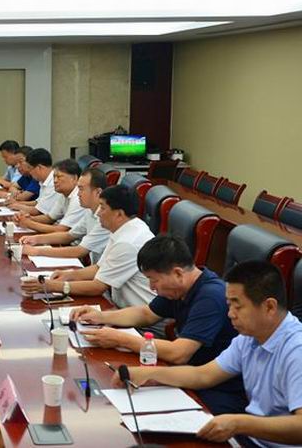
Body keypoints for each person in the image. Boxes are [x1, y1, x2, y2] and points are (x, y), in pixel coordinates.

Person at [112, 261, 302, 447]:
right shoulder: (249, 337)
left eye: (238, 306)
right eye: (229, 305)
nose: (230, 314)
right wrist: (147, 374)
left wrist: (239, 423)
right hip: (249, 437)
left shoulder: (296, 349)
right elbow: (203, 375)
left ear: (269, 307)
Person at [72, 235, 247, 414]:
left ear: (178, 273)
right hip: (187, 374)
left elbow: (179, 353)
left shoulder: (211, 297)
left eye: (154, 280)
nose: (151, 287)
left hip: (218, 390)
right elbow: (146, 314)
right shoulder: (180, 287)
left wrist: (119, 339)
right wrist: (100, 317)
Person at [22, 185, 156, 315]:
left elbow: (98, 287)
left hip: (138, 319)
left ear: (119, 214)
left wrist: (52, 286)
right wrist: (69, 275)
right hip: (121, 309)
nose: (98, 213)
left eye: (102, 208)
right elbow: (99, 268)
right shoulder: (125, 228)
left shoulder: (127, 242)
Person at [20, 167, 110, 263]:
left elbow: (80, 251)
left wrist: (37, 251)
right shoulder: (90, 211)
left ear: (98, 192)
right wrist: (36, 239)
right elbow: (69, 235)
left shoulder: (106, 218)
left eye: (81, 189)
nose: (78, 194)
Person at [14, 159, 86, 234]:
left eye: (59, 177)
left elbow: (61, 230)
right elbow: (49, 218)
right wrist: (27, 218)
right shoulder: (63, 195)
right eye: (54, 177)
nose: (55, 180)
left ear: (74, 178)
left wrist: (29, 224)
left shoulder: (78, 198)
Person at [8, 148, 60, 212]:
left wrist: (18, 206)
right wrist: (17, 203)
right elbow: (38, 203)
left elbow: (38, 211)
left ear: (39, 168)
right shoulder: (43, 181)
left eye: (30, 168)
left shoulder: (53, 183)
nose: (30, 172)